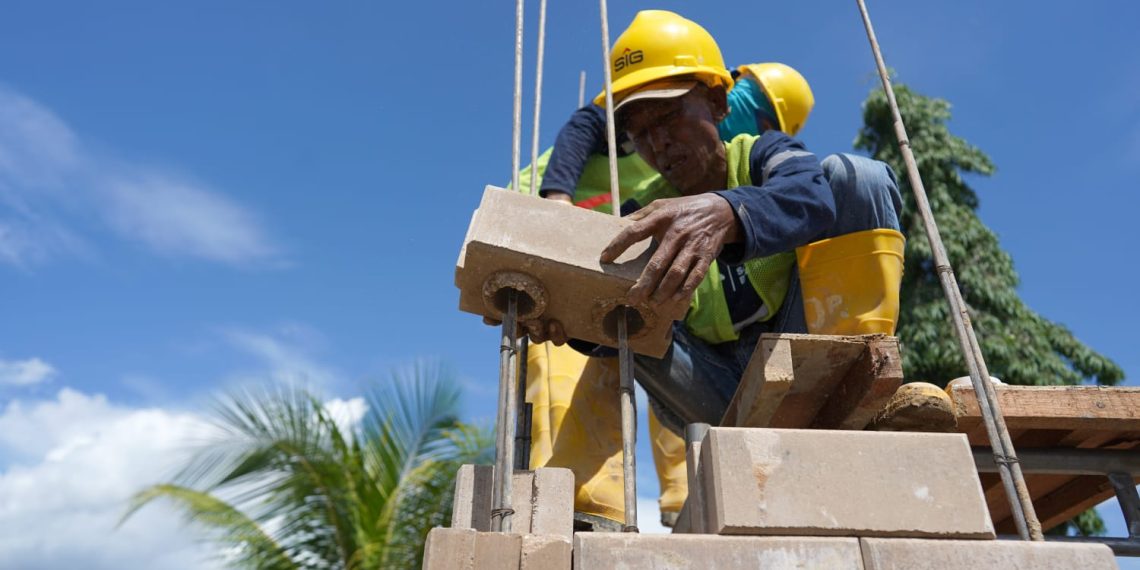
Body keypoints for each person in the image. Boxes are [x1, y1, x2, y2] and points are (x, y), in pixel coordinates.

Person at [516, 59, 818, 529]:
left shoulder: (729, 160)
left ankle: (682, 496)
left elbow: (812, 195)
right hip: (559, 222)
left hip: (627, 233)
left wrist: (728, 210)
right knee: (578, 363)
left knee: (652, 319)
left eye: (765, 123)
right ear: (732, 94)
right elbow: (586, 123)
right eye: (756, 110)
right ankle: (585, 506)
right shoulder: (646, 117)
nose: (657, 138)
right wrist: (556, 204)